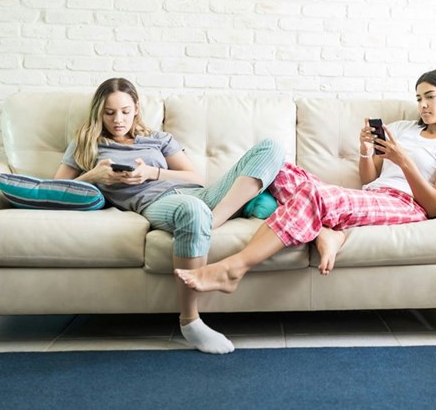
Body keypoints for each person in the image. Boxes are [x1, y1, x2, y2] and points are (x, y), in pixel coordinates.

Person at [174, 68, 436, 296]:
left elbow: (435, 205)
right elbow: (369, 180)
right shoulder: (403, 128)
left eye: (430, 97)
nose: (423, 105)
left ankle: (234, 268)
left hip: (406, 204)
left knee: (313, 195)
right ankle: (326, 230)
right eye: (419, 98)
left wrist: (404, 161)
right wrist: (365, 150)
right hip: (374, 195)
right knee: (280, 170)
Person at [54, 77, 285, 354]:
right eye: (109, 113)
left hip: (201, 195)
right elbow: (54, 190)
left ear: (136, 108)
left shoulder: (157, 138)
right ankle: (190, 321)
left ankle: (214, 219)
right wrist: (93, 176)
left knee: (271, 147)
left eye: (125, 111)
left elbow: (195, 178)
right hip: (158, 202)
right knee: (193, 210)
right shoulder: (86, 144)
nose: (118, 120)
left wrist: (152, 172)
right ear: (98, 112)